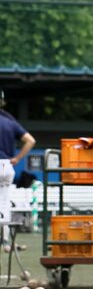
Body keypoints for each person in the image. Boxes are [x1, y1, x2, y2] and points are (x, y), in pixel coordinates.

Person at [0, 89, 36, 252]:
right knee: (4, 203)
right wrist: (17, 159)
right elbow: (30, 141)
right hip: (6, 166)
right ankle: (5, 242)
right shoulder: (10, 122)